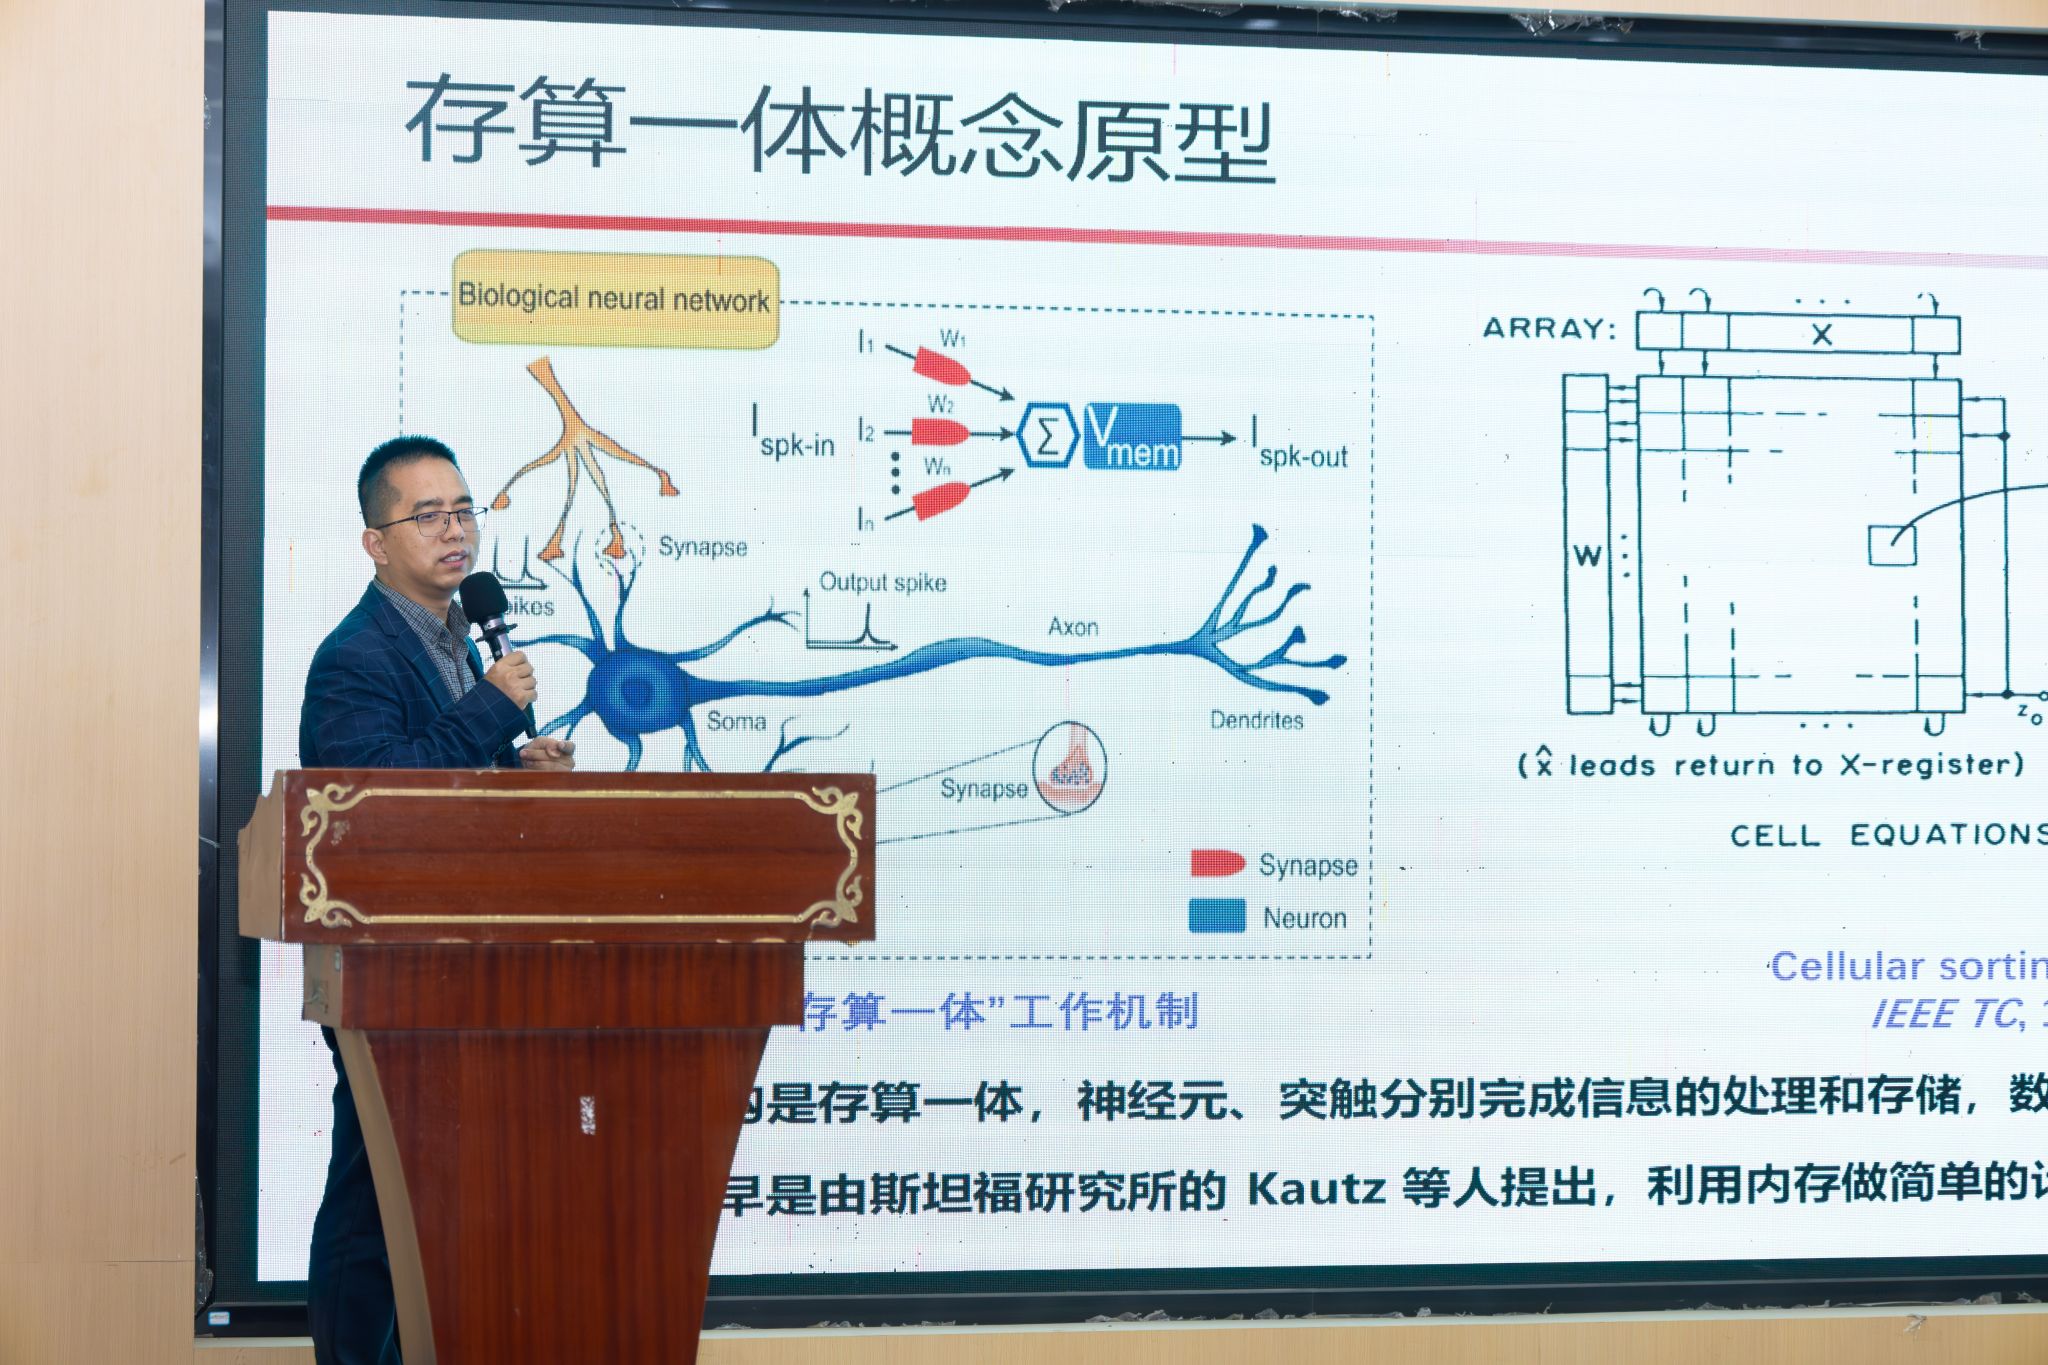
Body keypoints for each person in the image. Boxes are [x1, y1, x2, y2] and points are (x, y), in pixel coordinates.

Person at [298, 436, 575, 1364]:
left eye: (463, 511)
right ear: (376, 542)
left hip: (463, 966)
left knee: (420, 1200)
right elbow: (373, 805)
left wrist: (517, 771)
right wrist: (491, 711)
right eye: (427, 516)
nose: (455, 531)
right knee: (373, 1196)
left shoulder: (461, 640)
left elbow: (450, 794)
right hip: (388, 972)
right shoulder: (355, 657)